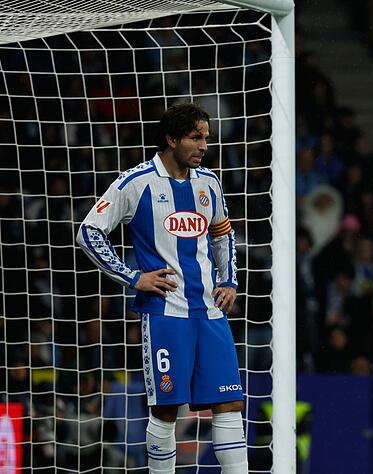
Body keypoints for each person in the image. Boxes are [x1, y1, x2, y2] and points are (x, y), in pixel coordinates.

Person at [76, 102, 246, 473]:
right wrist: (133, 277)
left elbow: (222, 235)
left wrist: (228, 280)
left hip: (210, 312)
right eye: (195, 137)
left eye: (207, 138)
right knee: (166, 408)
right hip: (165, 314)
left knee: (229, 404)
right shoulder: (135, 183)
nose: (204, 146)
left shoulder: (209, 183)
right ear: (171, 139)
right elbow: (88, 232)